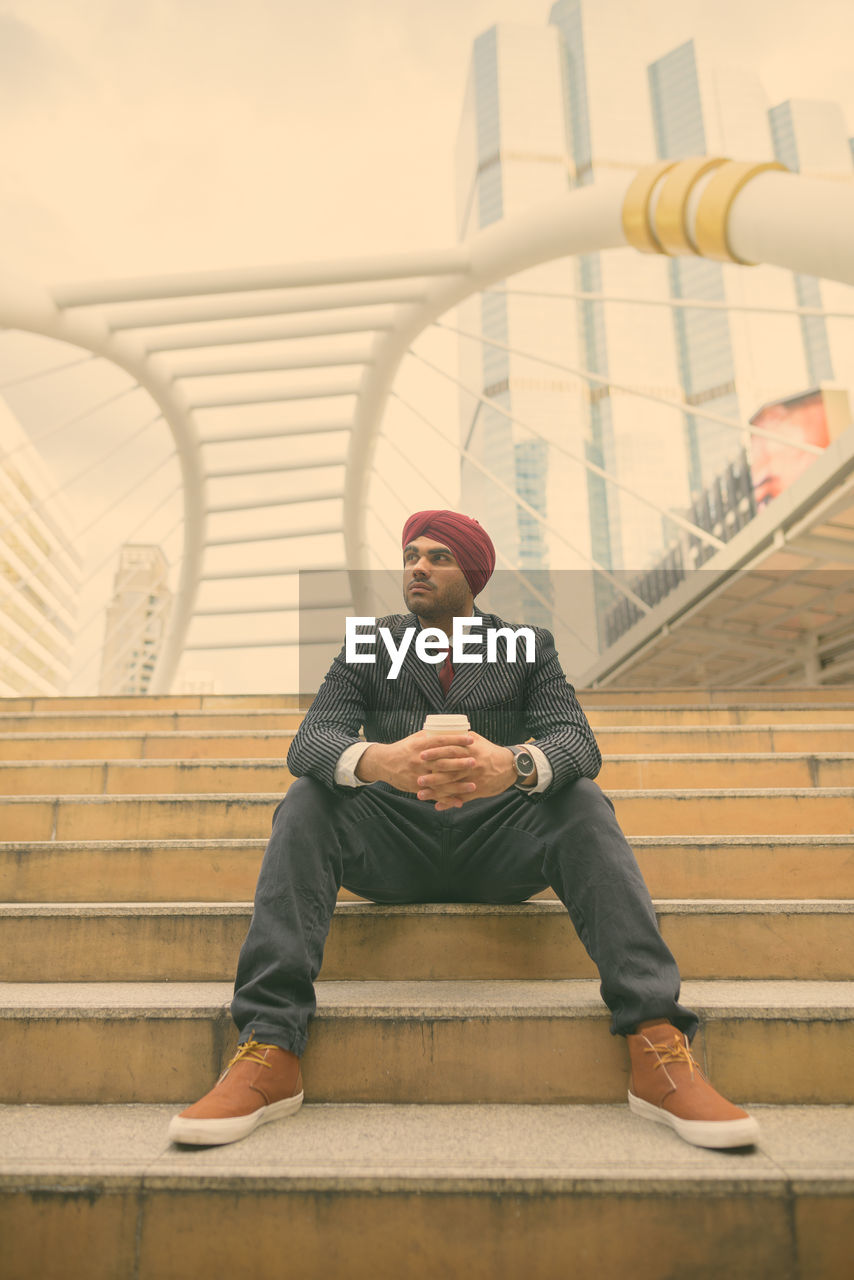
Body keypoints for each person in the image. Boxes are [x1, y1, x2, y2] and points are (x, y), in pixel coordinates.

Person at [169, 509, 759, 1151]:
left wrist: (515, 765)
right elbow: (311, 739)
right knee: (308, 797)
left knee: (581, 798)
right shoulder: (369, 643)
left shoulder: (526, 647)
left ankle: (656, 1040)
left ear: (472, 574)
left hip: (497, 845)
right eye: (410, 555)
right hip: (394, 842)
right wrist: (379, 761)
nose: (417, 565)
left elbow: (577, 742)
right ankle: (269, 1048)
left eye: (438, 556)